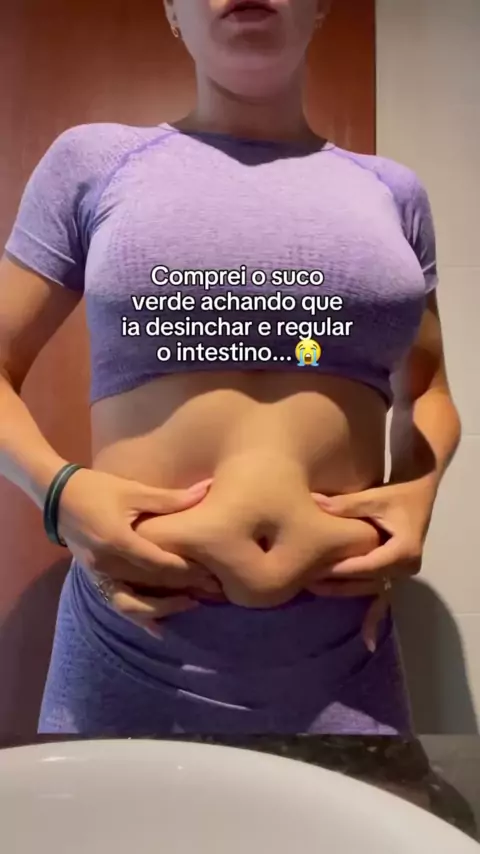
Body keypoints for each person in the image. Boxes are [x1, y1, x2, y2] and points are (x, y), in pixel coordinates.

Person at [0, 0, 461, 736]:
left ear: (320, 8)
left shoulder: (392, 192)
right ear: (172, 13)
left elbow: (428, 390)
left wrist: (418, 495)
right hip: (132, 646)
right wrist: (58, 494)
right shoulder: (94, 161)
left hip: (347, 658)